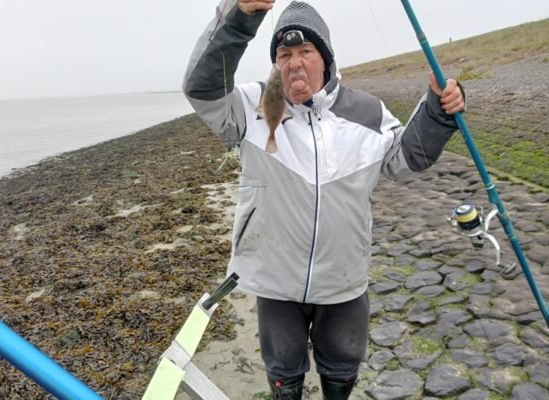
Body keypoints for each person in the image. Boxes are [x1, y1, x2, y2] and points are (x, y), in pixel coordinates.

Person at [183, 1, 465, 399]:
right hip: (274, 280)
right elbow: (201, 87)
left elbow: (408, 157)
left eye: (305, 52)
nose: (294, 63)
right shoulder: (252, 107)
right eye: (284, 55)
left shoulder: (367, 112)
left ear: (326, 58)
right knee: (282, 374)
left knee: (342, 367)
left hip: (343, 282)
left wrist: (438, 110)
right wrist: (240, 18)